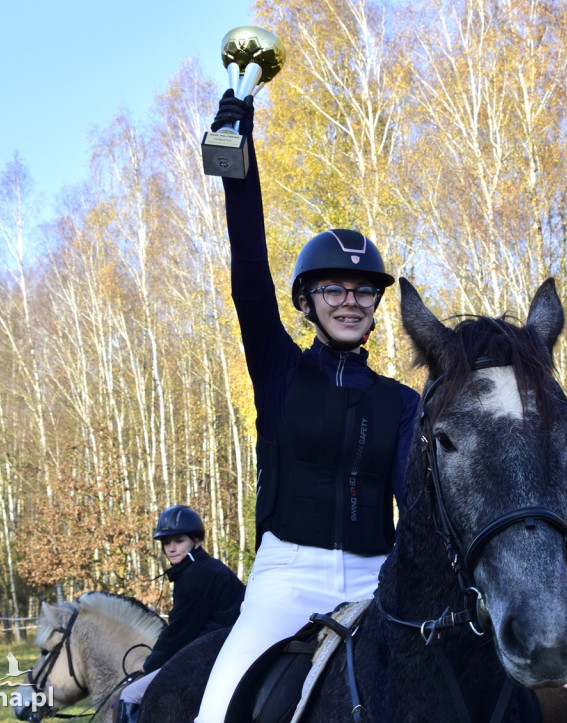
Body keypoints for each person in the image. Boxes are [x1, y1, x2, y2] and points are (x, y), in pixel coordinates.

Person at [194, 90, 420, 723]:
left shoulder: (401, 402)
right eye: (334, 288)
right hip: (287, 578)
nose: (350, 300)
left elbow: (415, 500)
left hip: (379, 579)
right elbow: (247, 269)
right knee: (216, 714)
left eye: (364, 291)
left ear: (376, 306)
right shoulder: (279, 371)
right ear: (307, 300)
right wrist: (241, 155)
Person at [115, 505, 245, 723]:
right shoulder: (205, 568)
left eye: (178, 541)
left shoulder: (197, 574)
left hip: (210, 656)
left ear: (196, 541)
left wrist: (149, 664)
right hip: (220, 649)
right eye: (167, 543)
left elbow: (180, 632)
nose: (172, 549)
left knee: (129, 695)